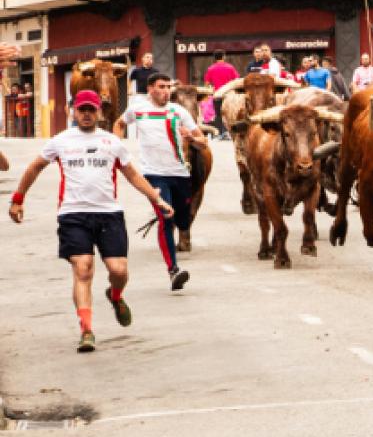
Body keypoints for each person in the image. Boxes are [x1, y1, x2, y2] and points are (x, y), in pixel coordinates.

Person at [7, 89, 175, 353]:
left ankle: (115, 295)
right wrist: (18, 198)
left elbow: (132, 175)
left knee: (118, 271)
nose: (86, 114)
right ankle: (86, 329)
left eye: (91, 110)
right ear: (73, 111)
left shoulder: (112, 142)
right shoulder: (61, 141)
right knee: (83, 268)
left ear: (100, 113)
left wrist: (157, 199)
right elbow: (35, 167)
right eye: (81, 109)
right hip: (73, 214)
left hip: (109, 213)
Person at [115, 73, 206, 291]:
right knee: (167, 216)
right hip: (153, 174)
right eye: (161, 87)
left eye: (168, 87)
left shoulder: (179, 111)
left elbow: (202, 142)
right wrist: (115, 145)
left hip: (180, 174)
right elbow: (119, 123)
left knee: (183, 221)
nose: (166, 91)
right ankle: (173, 269)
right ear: (151, 89)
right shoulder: (137, 109)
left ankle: (181, 224)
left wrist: (192, 138)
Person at [203, 50, 239, 139]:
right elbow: (236, 80)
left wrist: (210, 92)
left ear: (215, 58)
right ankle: (228, 133)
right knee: (229, 113)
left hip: (217, 95)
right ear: (223, 56)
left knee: (218, 114)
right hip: (229, 95)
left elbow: (207, 84)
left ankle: (219, 134)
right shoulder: (230, 67)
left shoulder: (210, 68)